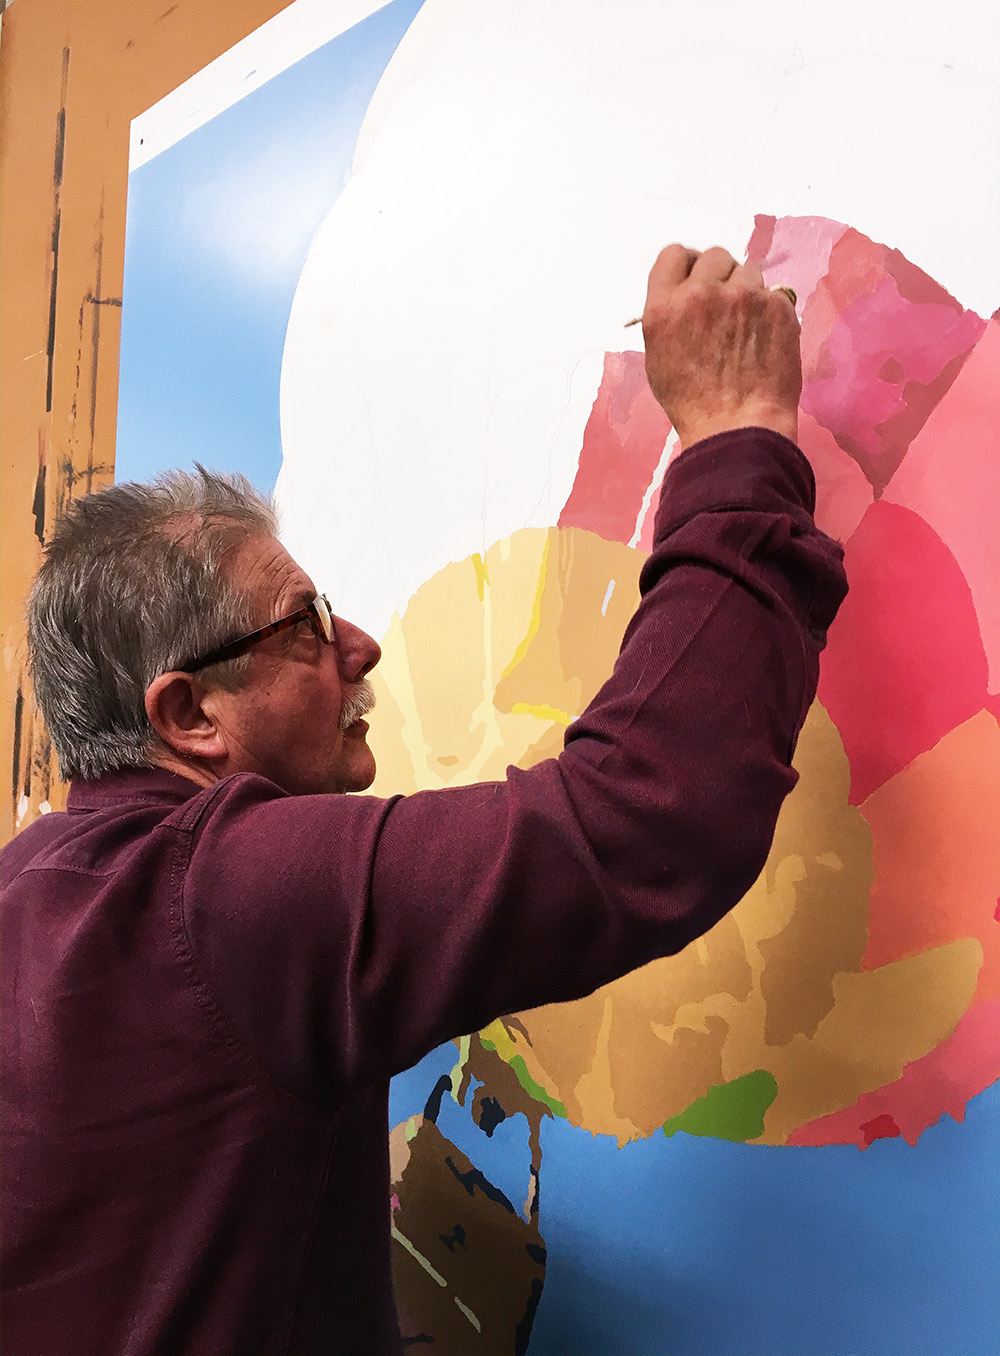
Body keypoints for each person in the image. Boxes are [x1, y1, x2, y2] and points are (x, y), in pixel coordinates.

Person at [1, 245, 847, 1355]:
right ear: (189, 716)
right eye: (304, 622)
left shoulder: (31, 885)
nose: (360, 645)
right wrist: (739, 441)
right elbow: (648, 814)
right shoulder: (227, 896)